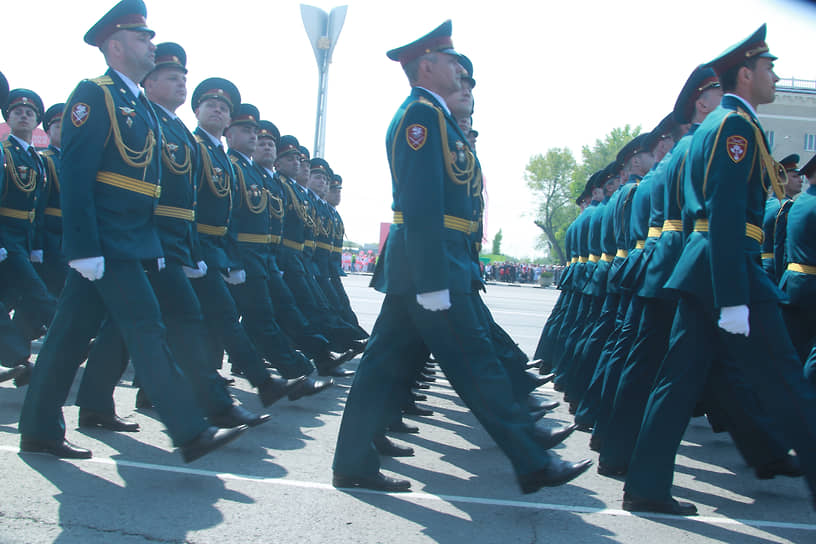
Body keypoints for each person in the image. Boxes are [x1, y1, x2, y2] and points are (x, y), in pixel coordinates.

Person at [332, 20, 591, 493]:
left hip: (432, 262)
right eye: (452, 60)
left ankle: (351, 461)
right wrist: (433, 279)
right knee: (477, 363)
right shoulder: (420, 116)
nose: (459, 69)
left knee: (382, 365)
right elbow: (423, 200)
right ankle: (533, 460)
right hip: (431, 266)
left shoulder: (435, 116)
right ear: (426, 66)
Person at [18, 0, 247, 462]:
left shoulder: (137, 103)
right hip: (104, 242)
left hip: (131, 240)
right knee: (146, 325)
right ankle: (189, 430)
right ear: (116, 46)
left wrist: (152, 247)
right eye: (143, 38)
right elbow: (78, 172)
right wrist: (82, 246)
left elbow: (149, 184)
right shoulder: (95, 94)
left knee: (67, 337)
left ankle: (40, 428)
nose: (152, 44)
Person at [623, 24, 816, 515]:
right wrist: (733, 297)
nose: (774, 74)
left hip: (705, 266)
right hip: (730, 269)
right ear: (746, 74)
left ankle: (646, 485)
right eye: (769, 67)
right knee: (788, 384)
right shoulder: (735, 127)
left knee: (678, 381)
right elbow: (727, 212)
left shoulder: (716, 125)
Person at [0, 88, 57, 385]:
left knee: (9, 298)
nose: (24, 116)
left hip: (24, 237)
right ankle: (60, 339)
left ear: (36, 121)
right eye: (17, 112)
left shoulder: (37, 159)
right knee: (36, 290)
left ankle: (16, 358)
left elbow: (38, 206)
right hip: (6, 236)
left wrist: (35, 245)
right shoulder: (5, 153)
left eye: (29, 113)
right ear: (8, 118)